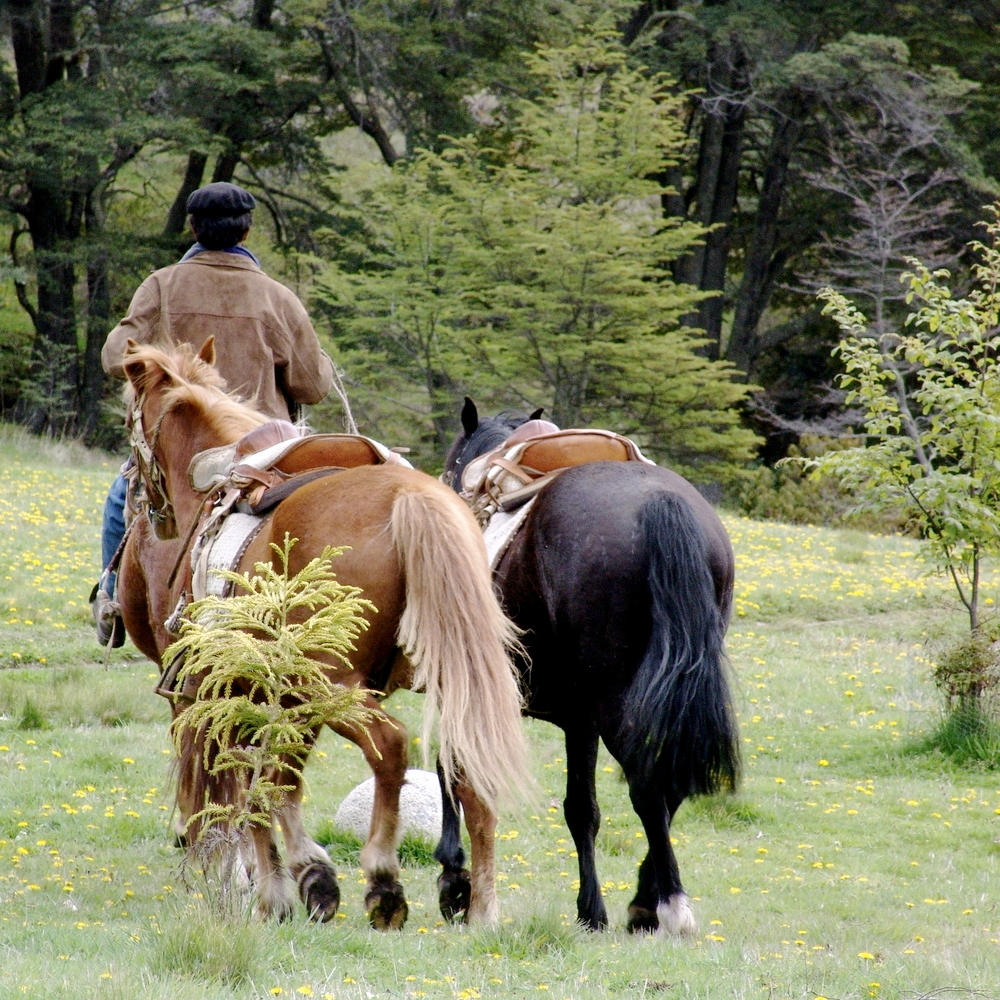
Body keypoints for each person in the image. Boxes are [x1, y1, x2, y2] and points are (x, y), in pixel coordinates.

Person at [92, 181, 335, 646]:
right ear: (247, 231)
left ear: (192, 228)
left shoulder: (161, 285)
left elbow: (112, 356)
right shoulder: (278, 298)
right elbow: (313, 386)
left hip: (182, 451)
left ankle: (113, 600)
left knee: (122, 499)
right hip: (264, 451)